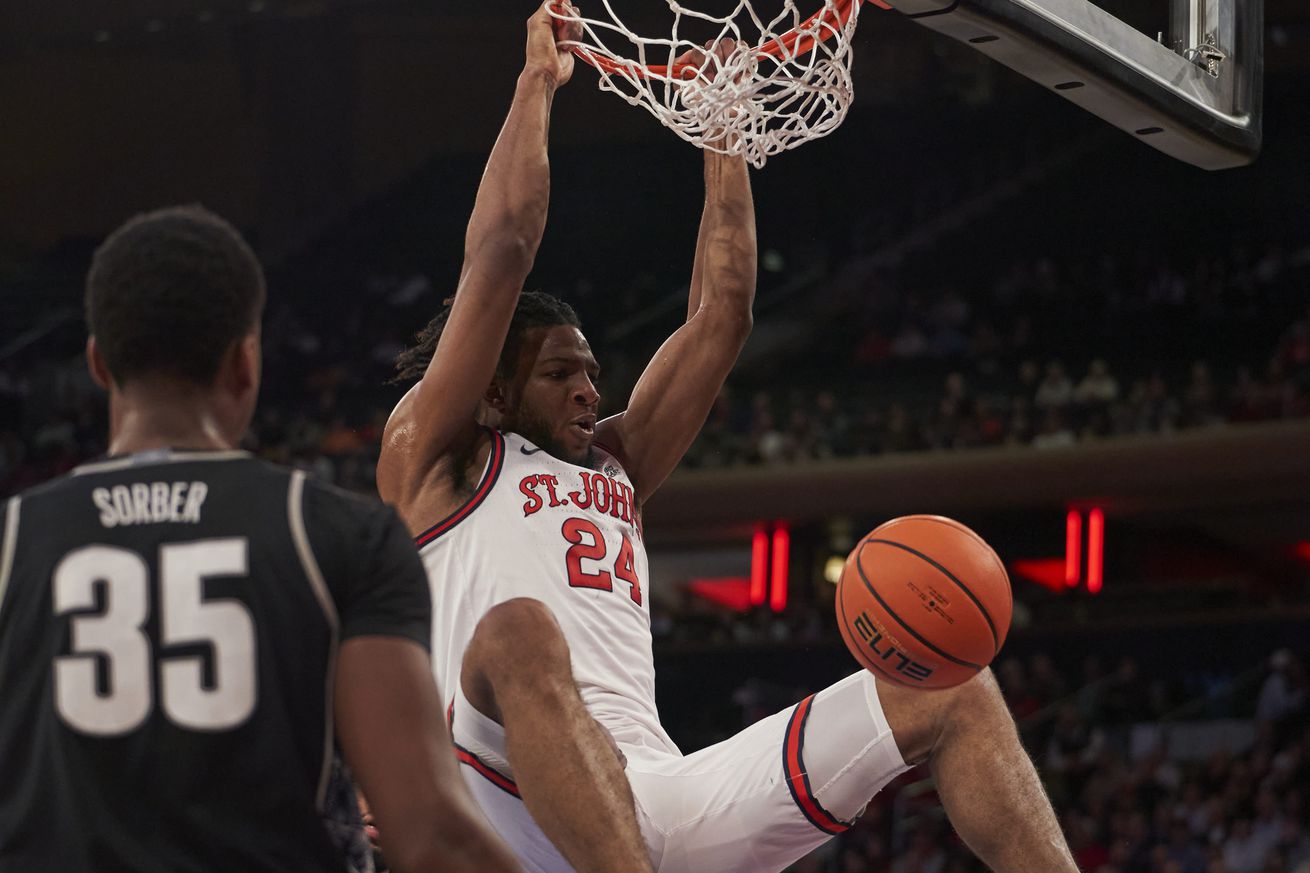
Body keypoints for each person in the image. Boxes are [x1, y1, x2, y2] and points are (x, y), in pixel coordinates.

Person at [379, 4, 1079, 872]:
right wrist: (537, 88)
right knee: (518, 629)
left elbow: (724, 311)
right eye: (561, 372)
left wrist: (723, 131)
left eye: (593, 370)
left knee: (951, 687)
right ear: (490, 388)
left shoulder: (618, 463)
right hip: (510, 807)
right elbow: (503, 251)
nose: (591, 388)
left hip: (655, 797)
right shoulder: (435, 458)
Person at [0, 205, 519, 873]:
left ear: (99, 363)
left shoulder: (13, 542)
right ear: (246, 363)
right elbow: (432, 835)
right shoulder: (337, 535)